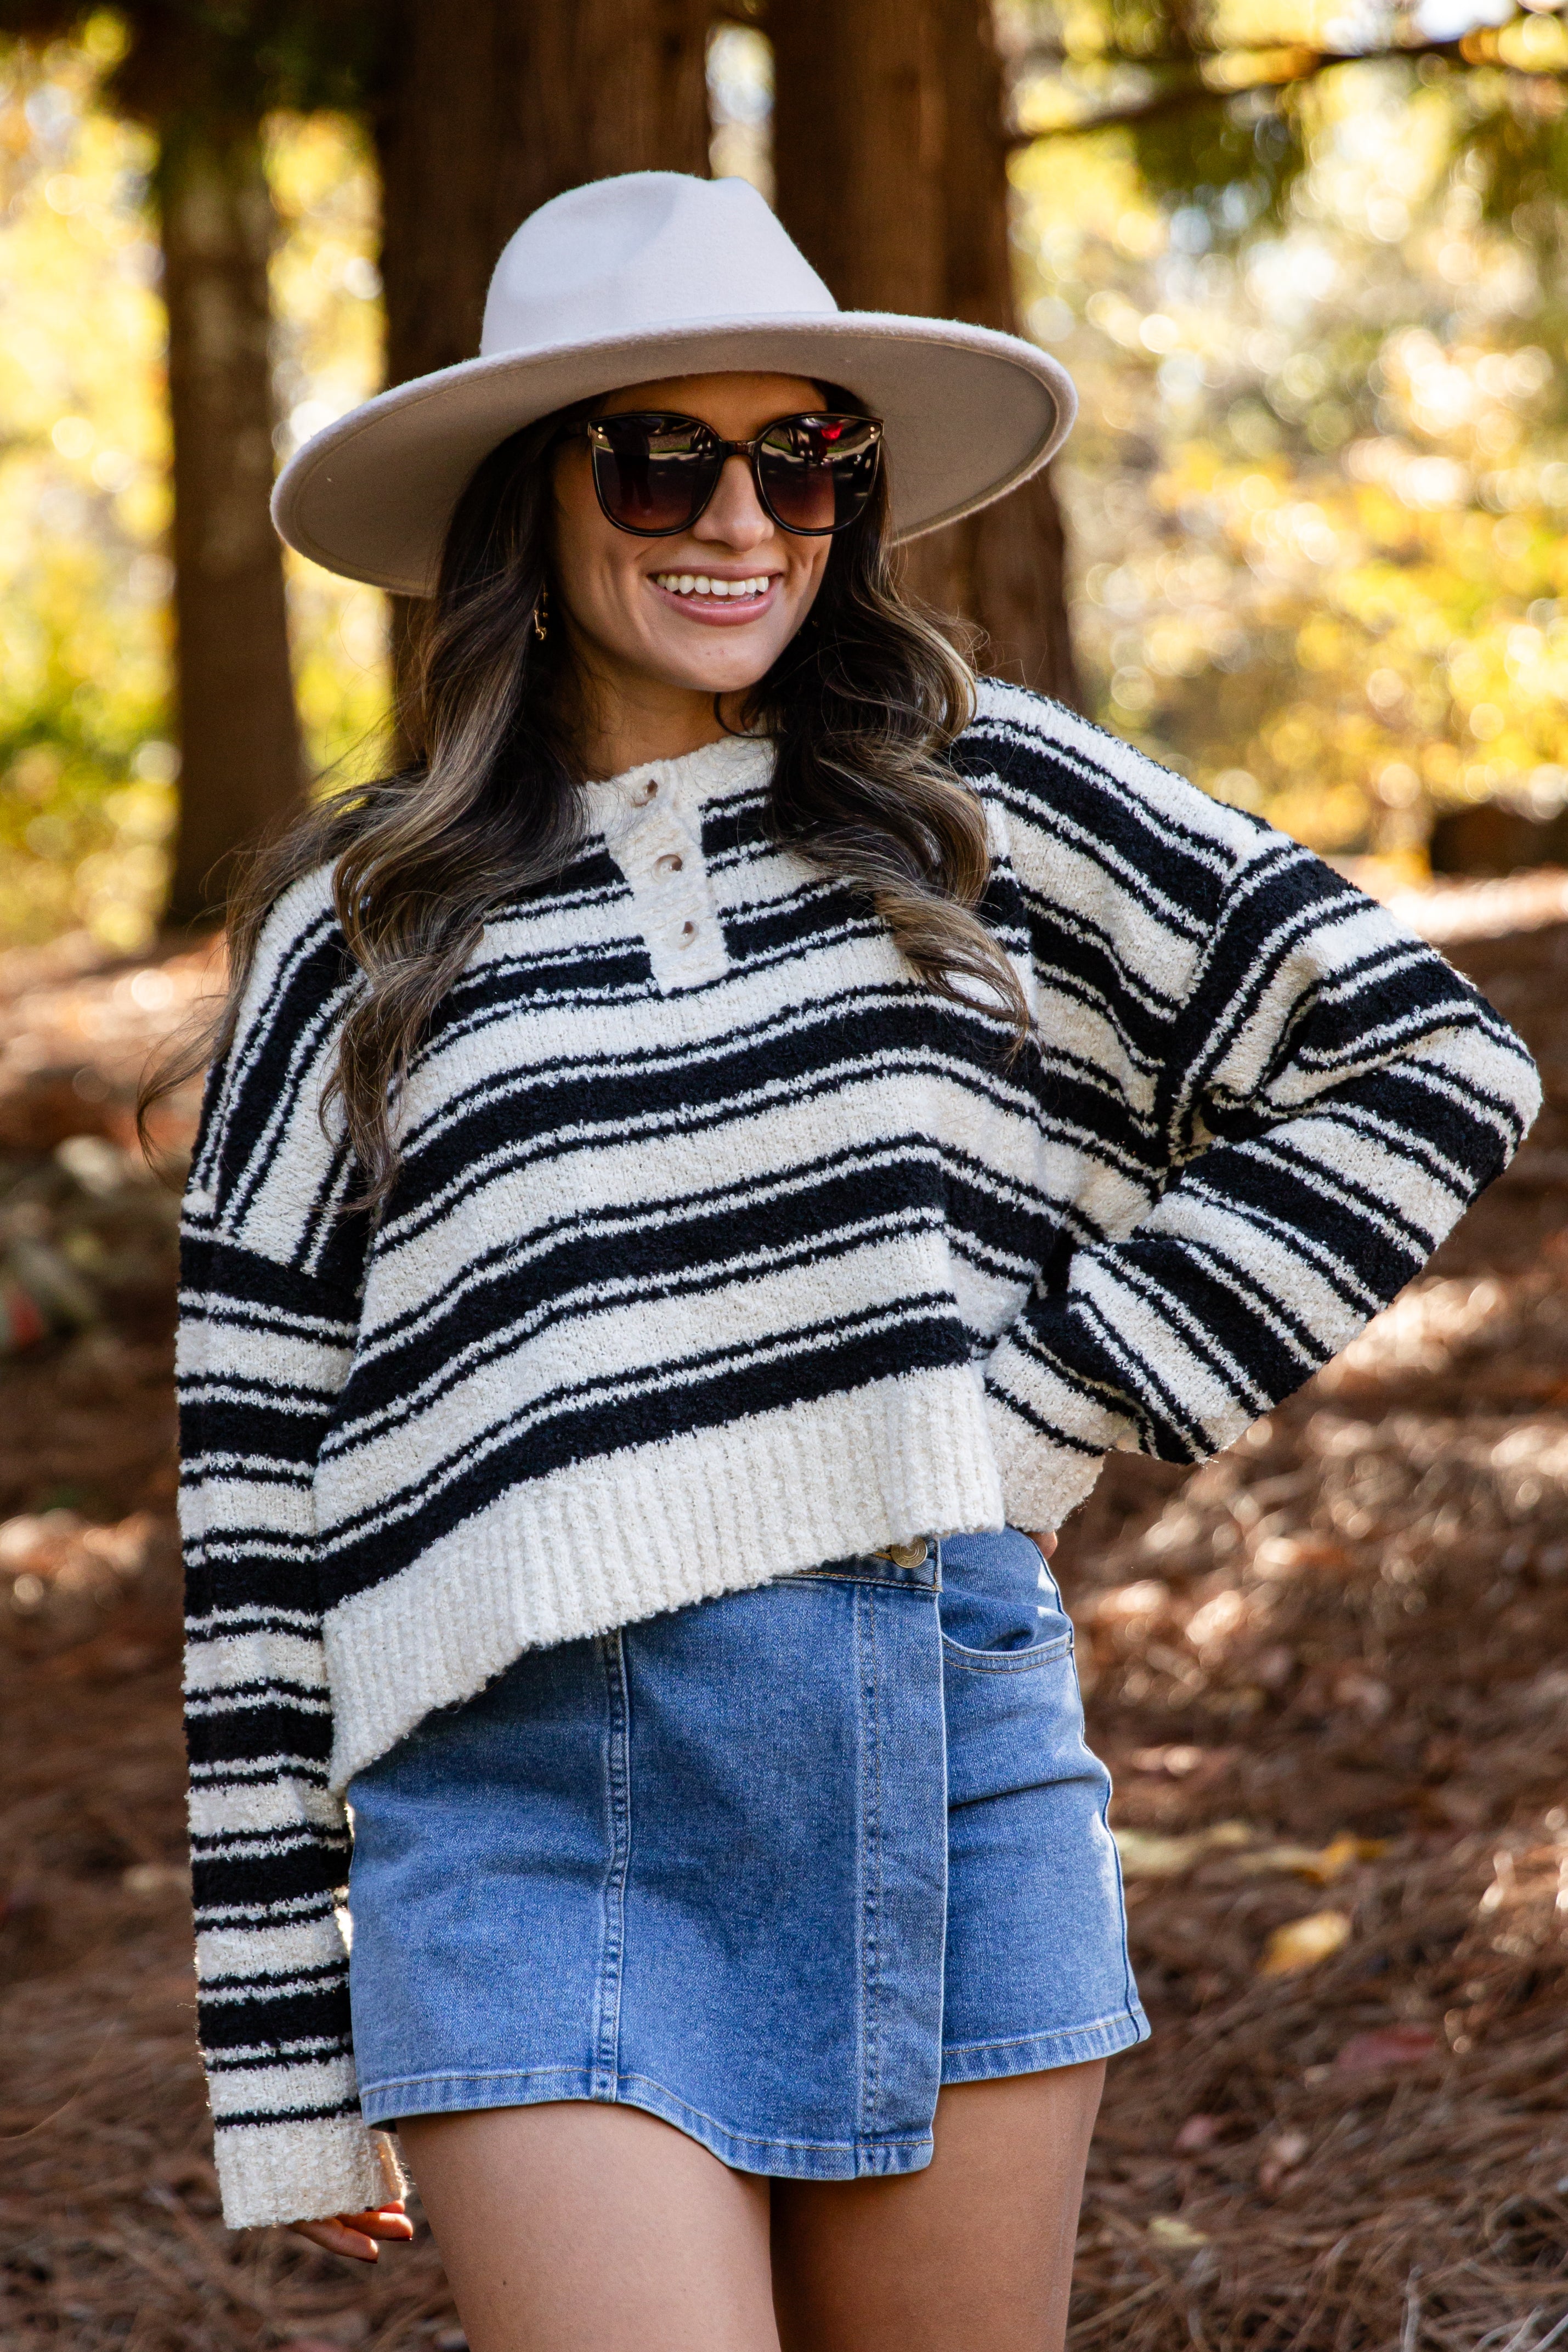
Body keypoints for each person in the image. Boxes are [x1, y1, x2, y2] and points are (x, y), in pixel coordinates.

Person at [158, 173, 1538, 2352]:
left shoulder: (972, 801)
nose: (742, 515)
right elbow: (252, 1489)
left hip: (945, 1742)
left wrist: (1054, 1398)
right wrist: (281, 2041)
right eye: (661, 456)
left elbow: (1418, 1057)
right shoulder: (363, 925)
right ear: (536, 497)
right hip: (515, 1808)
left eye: (803, 458)